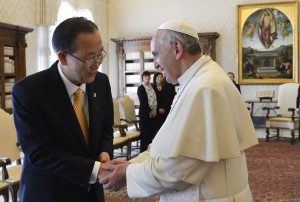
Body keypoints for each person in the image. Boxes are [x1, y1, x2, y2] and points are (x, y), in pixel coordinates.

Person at [100, 20, 258, 201]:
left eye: (156, 54)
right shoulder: (198, 79)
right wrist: (132, 163)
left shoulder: (203, 88)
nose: (156, 64)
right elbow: (169, 146)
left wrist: (129, 174)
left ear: (177, 49)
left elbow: (178, 170)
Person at [12, 17, 113, 202]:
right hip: (50, 192)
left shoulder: (101, 82)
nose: (97, 63)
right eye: (90, 57)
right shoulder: (28, 91)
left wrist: (105, 152)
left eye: (100, 54)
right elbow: (39, 152)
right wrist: (94, 169)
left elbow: (106, 127)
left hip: (92, 193)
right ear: (63, 57)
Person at [137, 71, 158, 152]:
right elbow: (143, 102)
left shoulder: (152, 87)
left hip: (153, 114)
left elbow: (155, 99)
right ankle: (142, 154)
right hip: (145, 114)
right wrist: (150, 111)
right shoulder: (141, 88)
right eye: (146, 76)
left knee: (151, 135)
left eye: (149, 76)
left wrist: (155, 110)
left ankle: (149, 153)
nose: (148, 78)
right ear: (143, 77)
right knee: (145, 135)